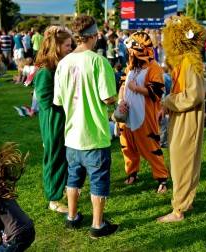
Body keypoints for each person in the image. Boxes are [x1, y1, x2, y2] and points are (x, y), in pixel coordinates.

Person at [53, 15, 118, 238]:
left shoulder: (63, 63)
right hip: (94, 135)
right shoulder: (98, 61)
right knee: (98, 181)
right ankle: (97, 225)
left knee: (74, 178)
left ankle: (72, 217)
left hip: (71, 135)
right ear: (94, 35)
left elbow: (59, 101)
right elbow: (108, 97)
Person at [157, 16, 206, 222]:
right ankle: (186, 200)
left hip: (188, 118)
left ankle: (179, 210)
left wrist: (167, 101)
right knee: (183, 160)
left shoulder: (189, 61)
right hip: (181, 116)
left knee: (182, 162)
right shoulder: (184, 61)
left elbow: (195, 95)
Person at [117, 31, 169, 192]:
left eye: (132, 50)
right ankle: (132, 173)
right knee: (127, 146)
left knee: (151, 147)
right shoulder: (130, 66)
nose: (129, 53)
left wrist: (136, 88)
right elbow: (122, 86)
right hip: (126, 115)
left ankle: (162, 179)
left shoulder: (155, 68)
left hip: (145, 117)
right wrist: (120, 101)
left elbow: (157, 92)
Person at [33, 26, 72, 213]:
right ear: (56, 47)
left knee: (62, 155)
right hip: (52, 119)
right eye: (67, 45)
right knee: (54, 157)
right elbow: (44, 99)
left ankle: (60, 188)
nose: (70, 49)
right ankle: (53, 198)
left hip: (60, 117)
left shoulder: (57, 66)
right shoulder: (46, 70)